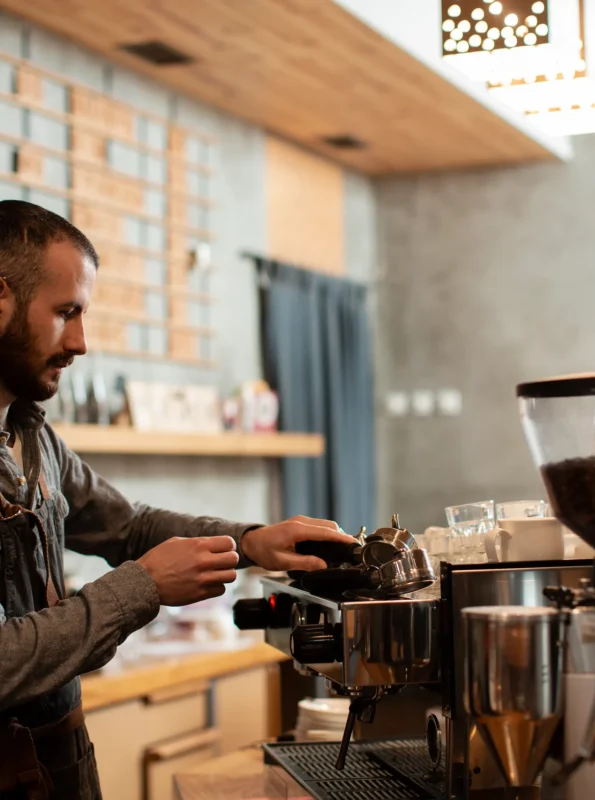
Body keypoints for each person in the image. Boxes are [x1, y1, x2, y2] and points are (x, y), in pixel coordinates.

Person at [0, 200, 350, 799]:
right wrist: (142, 587)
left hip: (63, 765)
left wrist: (250, 540)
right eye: (66, 313)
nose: (82, 342)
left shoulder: (31, 436)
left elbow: (128, 527)